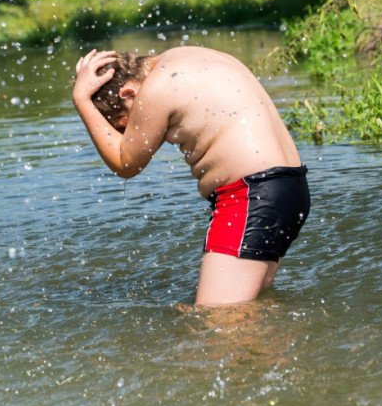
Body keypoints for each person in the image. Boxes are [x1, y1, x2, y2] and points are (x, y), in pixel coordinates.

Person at [72, 46, 310, 305]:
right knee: (252, 308)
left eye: (126, 124)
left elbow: (125, 162)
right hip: (289, 188)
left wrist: (82, 101)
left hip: (250, 196)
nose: (138, 130)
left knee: (216, 322)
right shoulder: (188, 56)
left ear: (129, 93)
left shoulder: (155, 89)